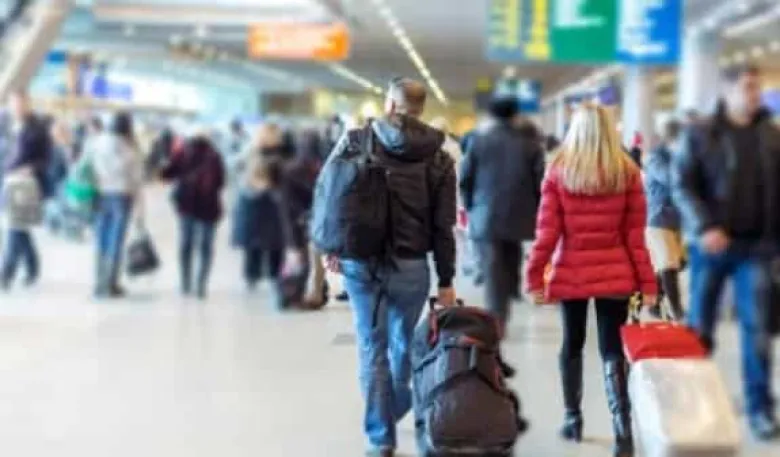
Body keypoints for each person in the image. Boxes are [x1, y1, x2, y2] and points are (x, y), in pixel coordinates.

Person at [319, 77, 457, 457]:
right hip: (411, 264)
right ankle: (394, 404)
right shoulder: (440, 156)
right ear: (420, 110)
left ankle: (380, 437)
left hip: (361, 262)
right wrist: (446, 280)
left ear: (390, 105)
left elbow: (329, 191)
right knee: (401, 342)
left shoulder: (354, 140)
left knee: (371, 344)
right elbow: (443, 226)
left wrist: (332, 244)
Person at [525, 103, 657, 457]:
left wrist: (535, 276)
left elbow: (547, 234)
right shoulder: (627, 172)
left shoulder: (559, 171)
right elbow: (635, 237)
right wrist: (648, 284)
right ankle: (622, 433)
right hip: (617, 274)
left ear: (576, 130)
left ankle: (573, 419)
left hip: (572, 272)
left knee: (572, 343)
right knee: (612, 350)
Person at [672, 64, 780, 440]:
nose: (755, 95)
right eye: (748, 87)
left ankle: (759, 409)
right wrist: (704, 226)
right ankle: (691, 403)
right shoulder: (700, 133)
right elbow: (682, 184)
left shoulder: (772, 136)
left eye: (757, 88)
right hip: (711, 247)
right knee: (700, 328)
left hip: (758, 248)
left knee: (758, 331)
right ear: (727, 91)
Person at [459, 96, 545, 330]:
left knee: (493, 269)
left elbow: (466, 178)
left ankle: (497, 320)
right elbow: (539, 182)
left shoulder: (478, 141)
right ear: (515, 115)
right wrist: (536, 209)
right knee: (511, 255)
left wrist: (471, 206)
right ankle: (508, 297)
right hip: (520, 214)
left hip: (486, 214)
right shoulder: (530, 144)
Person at [160, 131, 225, 299]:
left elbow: (166, 175)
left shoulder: (182, 153)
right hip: (209, 206)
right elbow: (221, 182)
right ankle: (201, 284)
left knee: (186, 244)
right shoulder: (215, 156)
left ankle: (185, 282)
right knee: (206, 247)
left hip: (186, 205)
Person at [232, 143, 296, 302]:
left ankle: (255, 276)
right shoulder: (270, 189)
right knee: (267, 250)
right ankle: (266, 276)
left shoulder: (248, 188)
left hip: (263, 229)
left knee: (258, 251)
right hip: (269, 228)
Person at [90, 111, 144, 298]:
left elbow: (89, 167)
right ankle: (110, 284)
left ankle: (99, 283)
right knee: (116, 240)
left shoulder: (98, 143)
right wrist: (140, 209)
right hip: (122, 196)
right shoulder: (130, 149)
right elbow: (137, 179)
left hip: (100, 195)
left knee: (101, 239)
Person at [0, 91, 51, 289]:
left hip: (25, 184)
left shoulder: (38, 128)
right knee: (19, 227)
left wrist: (31, 168)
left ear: (28, 104)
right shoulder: (4, 124)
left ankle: (6, 274)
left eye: (21, 104)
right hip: (5, 180)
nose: (17, 108)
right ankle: (32, 266)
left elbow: (46, 159)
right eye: (14, 104)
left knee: (15, 226)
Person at [644, 119, 685, 319]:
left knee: (674, 262)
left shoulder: (675, 156)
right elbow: (670, 179)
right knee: (669, 264)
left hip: (675, 219)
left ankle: (653, 302)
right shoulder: (656, 158)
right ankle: (677, 310)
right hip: (659, 219)